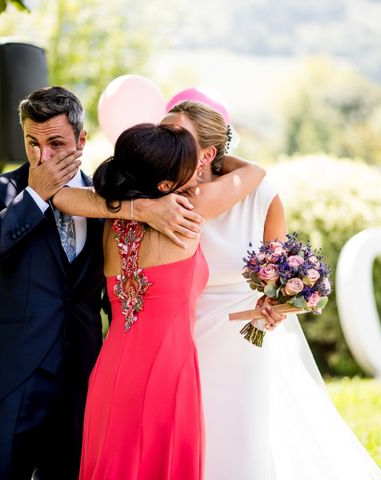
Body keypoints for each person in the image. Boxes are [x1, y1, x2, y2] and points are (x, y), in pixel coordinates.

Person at [0, 86, 203, 479]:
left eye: (56, 143)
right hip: (13, 380)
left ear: (82, 140)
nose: (44, 156)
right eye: (32, 143)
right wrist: (34, 196)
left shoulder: (108, 199)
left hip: (84, 378)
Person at [163, 100, 381, 479]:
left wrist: (276, 305)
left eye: (174, 135)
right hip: (179, 339)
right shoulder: (159, 195)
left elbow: (281, 278)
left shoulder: (260, 196)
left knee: (238, 443)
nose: (161, 141)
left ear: (207, 153)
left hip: (241, 343)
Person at [51, 122, 266, 479]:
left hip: (112, 370)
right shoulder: (185, 210)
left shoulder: (110, 215)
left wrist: (137, 205)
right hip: (168, 370)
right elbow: (253, 173)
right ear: (166, 185)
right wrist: (217, 150)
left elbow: (59, 196)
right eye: (189, 165)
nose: (197, 170)